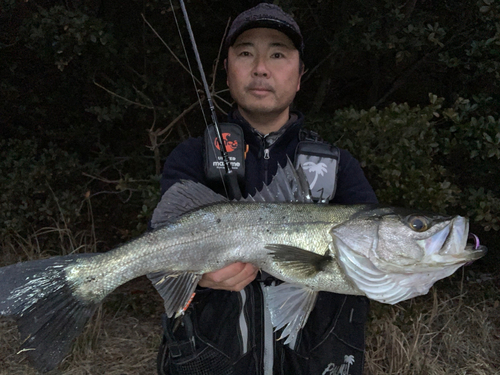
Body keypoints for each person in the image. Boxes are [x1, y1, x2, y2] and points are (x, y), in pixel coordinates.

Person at [156, 3, 377, 374]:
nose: (260, 68)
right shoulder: (191, 157)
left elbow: (374, 259)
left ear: (300, 75)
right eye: (245, 53)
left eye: (277, 54)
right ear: (227, 70)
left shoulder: (339, 166)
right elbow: (159, 251)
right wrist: (197, 274)